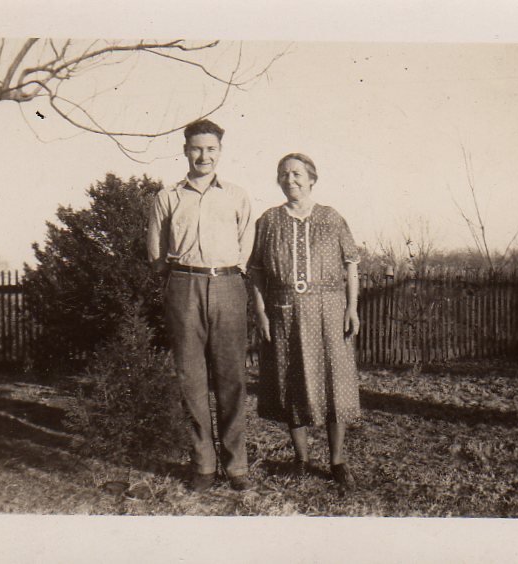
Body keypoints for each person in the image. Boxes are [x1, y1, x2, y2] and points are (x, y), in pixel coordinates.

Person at [147, 119, 253, 492]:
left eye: (211, 149)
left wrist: (226, 274)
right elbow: (157, 254)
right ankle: (203, 465)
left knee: (231, 379)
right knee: (191, 379)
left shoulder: (237, 195)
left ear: (220, 152)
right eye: (197, 148)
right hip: (183, 284)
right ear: (185, 151)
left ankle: (236, 465)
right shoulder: (167, 197)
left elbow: (246, 245)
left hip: (227, 284)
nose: (203, 155)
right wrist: (180, 277)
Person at [248, 153, 362, 490]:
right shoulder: (267, 221)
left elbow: (352, 263)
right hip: (285, 313)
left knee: (334, 383)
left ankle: (337, 460)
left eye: (297, 174)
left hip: (329, 311)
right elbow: (255, 272)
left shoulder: (332, 218)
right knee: (290, 381)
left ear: (312, 178)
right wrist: (261, 312)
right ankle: (301, 459)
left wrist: (352, 307)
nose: (290, 180)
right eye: (283, 174)